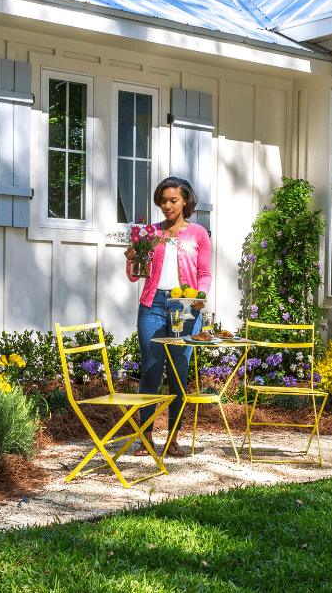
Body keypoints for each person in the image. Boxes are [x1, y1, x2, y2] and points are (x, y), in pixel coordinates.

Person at [124, 177, 210, 457]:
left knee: (178, 373)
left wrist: (201, 296)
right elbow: (135, 275)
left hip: (185, 306)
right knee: (150, 371)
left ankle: (173, 438)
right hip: (152, 304)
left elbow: (205, 274)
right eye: (163, 201)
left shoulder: (198, 233)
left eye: (173, 200)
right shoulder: (149, 233)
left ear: (185, 201)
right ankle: (145, 438)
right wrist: (131, 257)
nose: (167, 205)